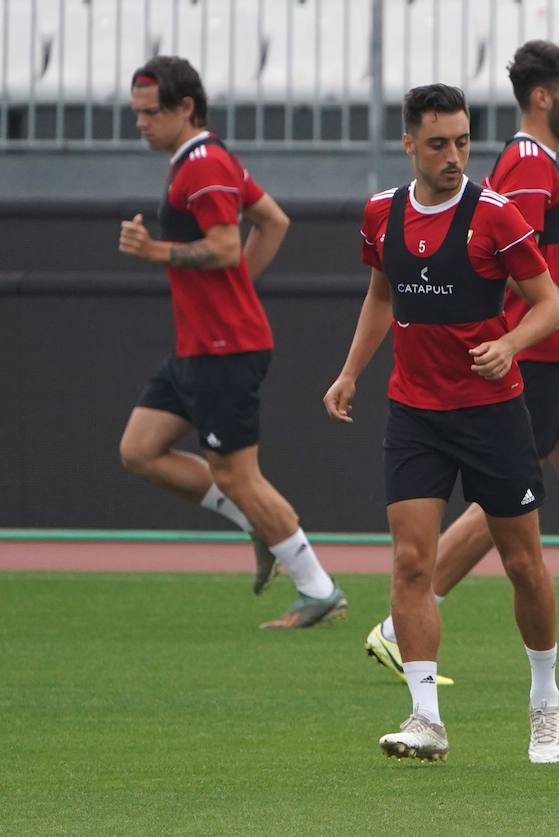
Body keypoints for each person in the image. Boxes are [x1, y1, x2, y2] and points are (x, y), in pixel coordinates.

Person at [363, 41, 559, 689]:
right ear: (544, 97)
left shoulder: (538, 162)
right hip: (537, 358)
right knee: (503, 510)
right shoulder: (525, 164)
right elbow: (513, 271)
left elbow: (542, 267)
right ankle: (396, 625)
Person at [324, 83, 559, 764]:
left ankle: (545, 699)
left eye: (462, 141)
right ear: (409, 144)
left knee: (524, 563)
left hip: (492, 413)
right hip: (415, 412)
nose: (454, 156)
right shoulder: (380, 214)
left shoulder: (495, 216)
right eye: (438, 144)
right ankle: (426, 717)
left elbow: (548, 304)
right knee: (410, 563)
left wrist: (511, 345)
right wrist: (350, 373)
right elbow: (382, 294)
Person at [116, 55, 345, 628]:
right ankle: (256, 522)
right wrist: (239, 284)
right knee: (140, 450)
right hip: (198, 345)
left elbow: (222, 245)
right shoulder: (201, 159)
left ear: (185, 108)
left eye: (150, 113)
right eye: (136, 113)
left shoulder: (204, 165)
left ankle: (318, 589)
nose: (140, 123)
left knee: (240, 476)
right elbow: (273, 220)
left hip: (225, 348)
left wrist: (156, 252)